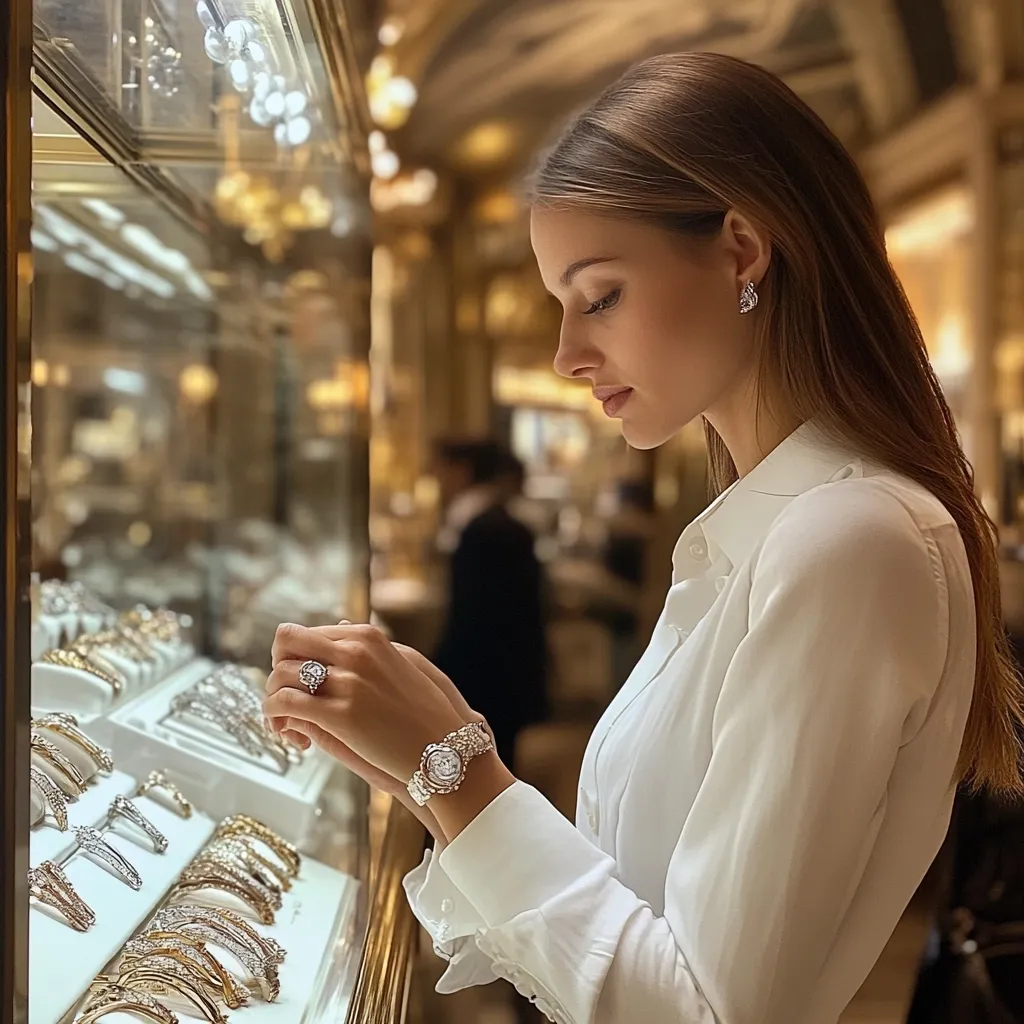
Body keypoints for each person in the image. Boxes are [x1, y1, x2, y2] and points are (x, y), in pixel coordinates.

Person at [263, 51, 1024, 1024]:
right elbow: (627, 912)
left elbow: (705, 1011)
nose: (567, 354)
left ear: (742, 249)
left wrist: (456, 768)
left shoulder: (849, 539)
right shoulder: (762, 530)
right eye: (560, 302)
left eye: (601, 293)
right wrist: (420, 754)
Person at [430, 439, 547, 771]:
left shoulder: (482, 528)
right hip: (508, 665)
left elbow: (472, 614)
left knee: (482, 762)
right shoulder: (502, 524)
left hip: (486, 666)